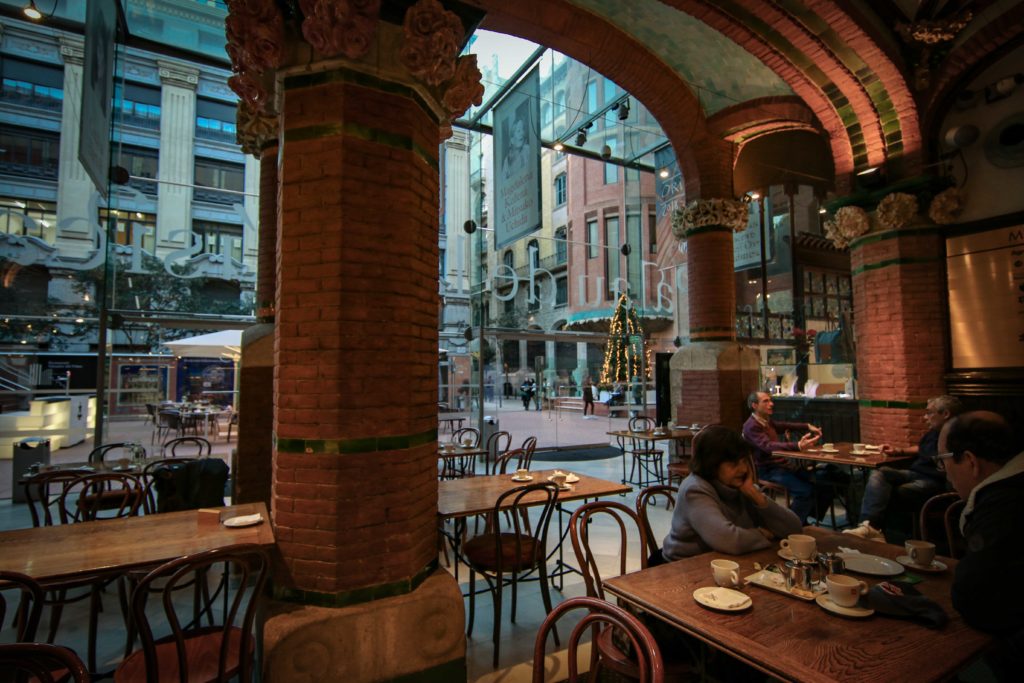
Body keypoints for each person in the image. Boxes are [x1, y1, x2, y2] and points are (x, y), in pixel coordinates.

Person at [938, 411, 1023, 679]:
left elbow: (976, 600)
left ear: (971, 462)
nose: (945, 472)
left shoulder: (1005, 506)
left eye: (944, 461)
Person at [661, 425, 802, 561]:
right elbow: (729, 540)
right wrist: (762, 534)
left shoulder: (741, 485)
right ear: (712, 465)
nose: (742, 469)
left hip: (727, 561)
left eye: (744, 461)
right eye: (734, 464)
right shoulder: (695, 489)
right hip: (683, 566)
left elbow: (794, 529)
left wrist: (755, 494)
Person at [844, 395, 962, 542]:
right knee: (880, 473)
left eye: (929, 412)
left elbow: (950, 464)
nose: (925, 417)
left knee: (894, 490)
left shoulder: (956, 435)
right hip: (915, 473)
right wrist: (898, 451)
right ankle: (870, 526)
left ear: (945, 414)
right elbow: (921, 448)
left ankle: (889, 533)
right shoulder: (934, 432)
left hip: (935, 480)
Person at [741, 391, 829, 525]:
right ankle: (788, 524)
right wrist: (798, 445)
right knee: (805, 491)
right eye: (766, 401)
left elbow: (783, 425)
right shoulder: (751, 426)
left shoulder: (766, 421)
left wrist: (806, 426)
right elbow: (768, 446)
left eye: (770, 400)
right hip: (769, 470)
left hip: (783, 467)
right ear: (754, 405)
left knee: (824, 481)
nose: (771, 404)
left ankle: (803, 519)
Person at [501, 114, 528, 179]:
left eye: (522, 130)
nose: (522, 133)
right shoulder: (507, 161)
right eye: (518, 131)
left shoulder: (527, 150)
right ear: (512, 140)